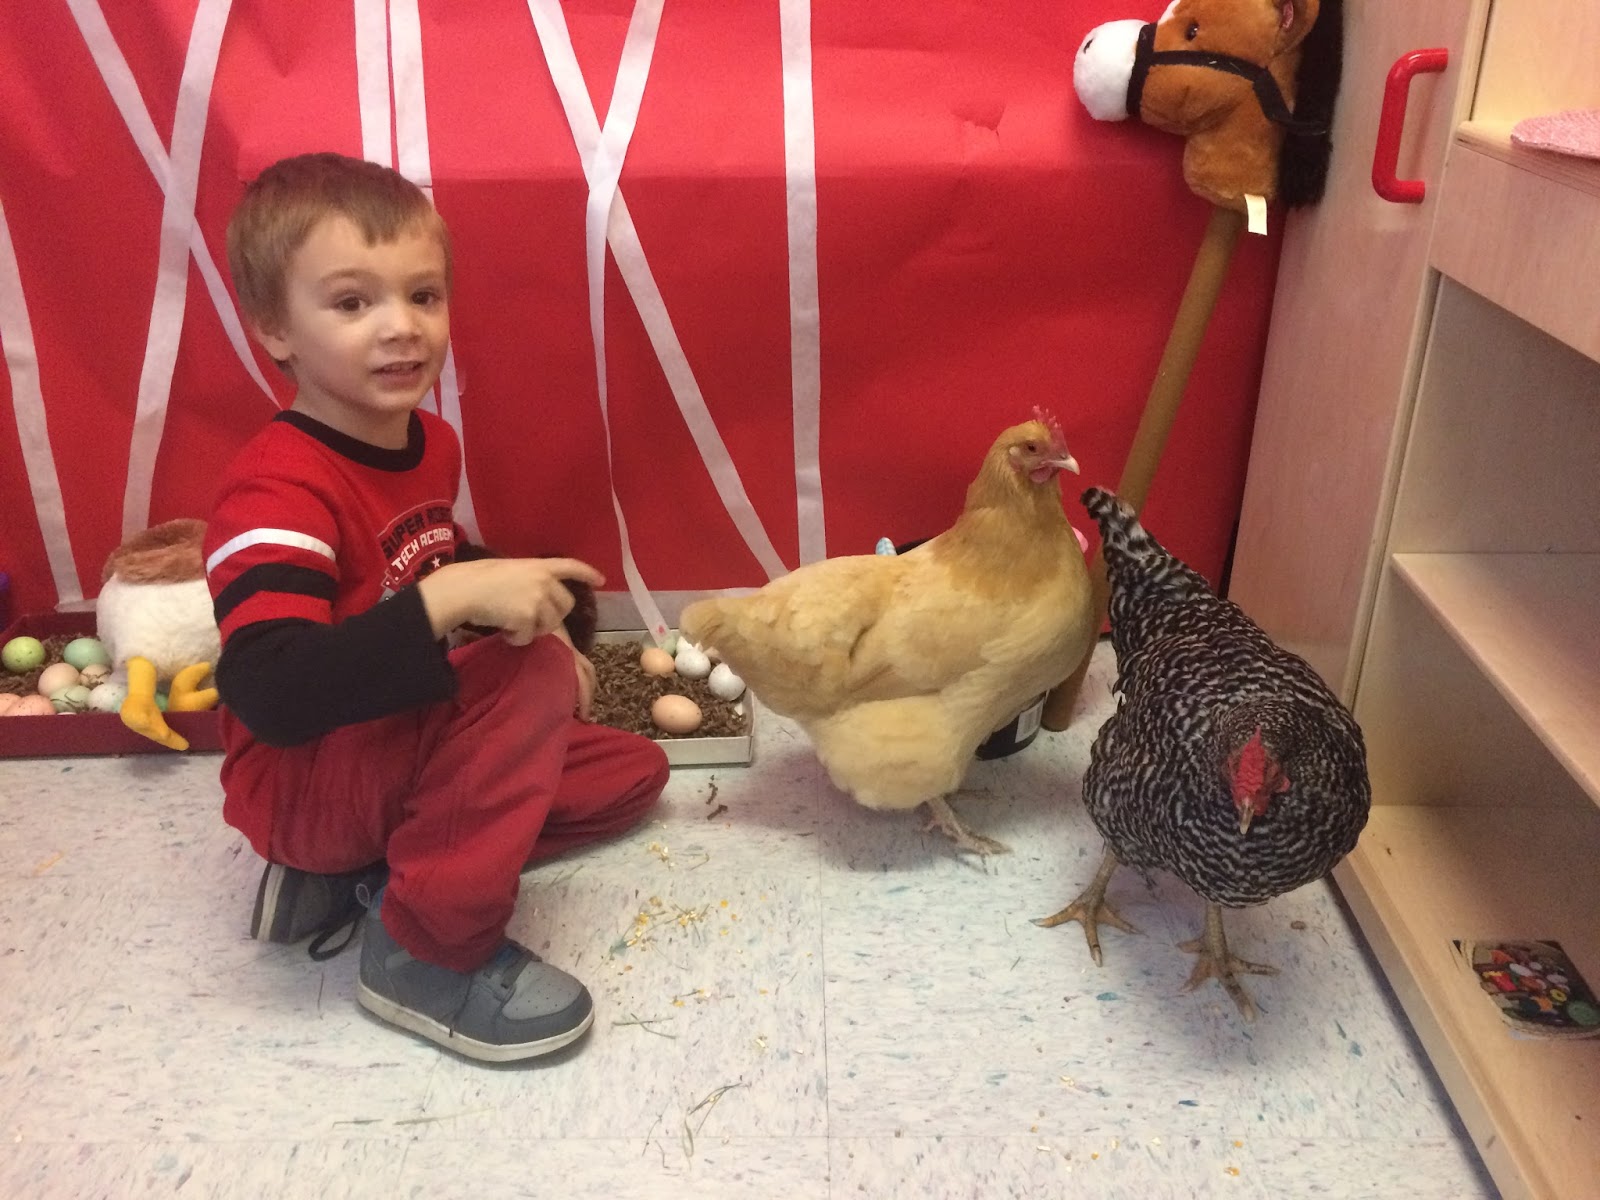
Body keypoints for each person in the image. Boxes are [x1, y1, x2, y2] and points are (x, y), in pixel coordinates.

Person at [204, 151, 669, 1063]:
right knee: (525, 685)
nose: (400, 329)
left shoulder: (429, 442)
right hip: (300, 773)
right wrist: (470, 609)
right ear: (273, 328)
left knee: (630, 775)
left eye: (422, 296)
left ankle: (359, 876)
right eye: (351, 303)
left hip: (386, 741)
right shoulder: (274, 491)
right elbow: (272, 691)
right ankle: (425, 951)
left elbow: (415, 563)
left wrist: (509, 602)